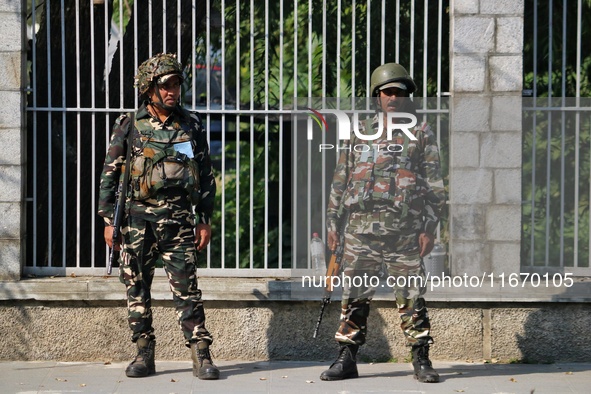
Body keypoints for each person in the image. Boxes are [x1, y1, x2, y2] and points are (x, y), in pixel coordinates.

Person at [319, 63, 445, 383]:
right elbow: (340, 179)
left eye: (399, 92)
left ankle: (421, 357)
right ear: (377, 96)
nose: (393, 97)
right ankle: (346, 358)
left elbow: (435, 185)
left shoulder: (420, 133)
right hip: (360, 229)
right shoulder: (359, 131)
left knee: (411, 295)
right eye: (388, 91)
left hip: (403, 230)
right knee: (354, 296)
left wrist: (430, 227)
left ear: (406, 97)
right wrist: (333, 222)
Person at [98, 53, 219, 380]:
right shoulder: (130, 124)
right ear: (148, 88)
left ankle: (201, 354)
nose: (173, 91)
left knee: (188, 290)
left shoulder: (190, 124)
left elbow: (205, 173)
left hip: (179, 223)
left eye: (177, 84)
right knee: (136, 288)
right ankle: (143, 351)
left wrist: (204, 218)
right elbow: (110, 175)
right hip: (137, 223)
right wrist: (110, 221)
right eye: (166, 85)